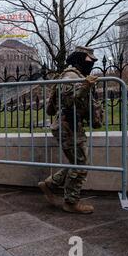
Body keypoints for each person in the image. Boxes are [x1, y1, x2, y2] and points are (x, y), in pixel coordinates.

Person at [39, 46, 99, 214]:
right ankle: (71, 202)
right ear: (79, 59)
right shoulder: (70, 76)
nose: (92, 63)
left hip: (70, 125)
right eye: (89, 60)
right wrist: (86, 86)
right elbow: (68, 102)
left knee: (78, 162)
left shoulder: (74, 75)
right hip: (68, 126)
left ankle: (50, 185)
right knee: (81, 164)